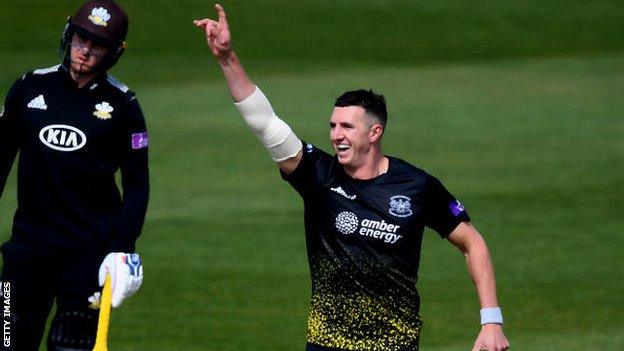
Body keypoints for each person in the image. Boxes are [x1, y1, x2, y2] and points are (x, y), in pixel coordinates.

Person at [195, 4, 509, 351]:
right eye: (333, 125)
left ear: (374, 132)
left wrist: (491, 320)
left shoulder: (416, 186)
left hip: (395, 344)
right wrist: (227, 57)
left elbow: (472, 242)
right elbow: (264, 123)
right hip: (326, 343)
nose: (336, 135)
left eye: (347, 126)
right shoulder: (317, 175)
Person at [0, 0, 148, 349]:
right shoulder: (29, 88)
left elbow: (137, 185)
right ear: (69, 36)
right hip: (27, 249)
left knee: (71, 342)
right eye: (81, 39)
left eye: (97, 45)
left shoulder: (124, 106)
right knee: (8, 338)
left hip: (87, 254)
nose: (85, 51)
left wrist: (124, 246)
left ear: (114, 53)